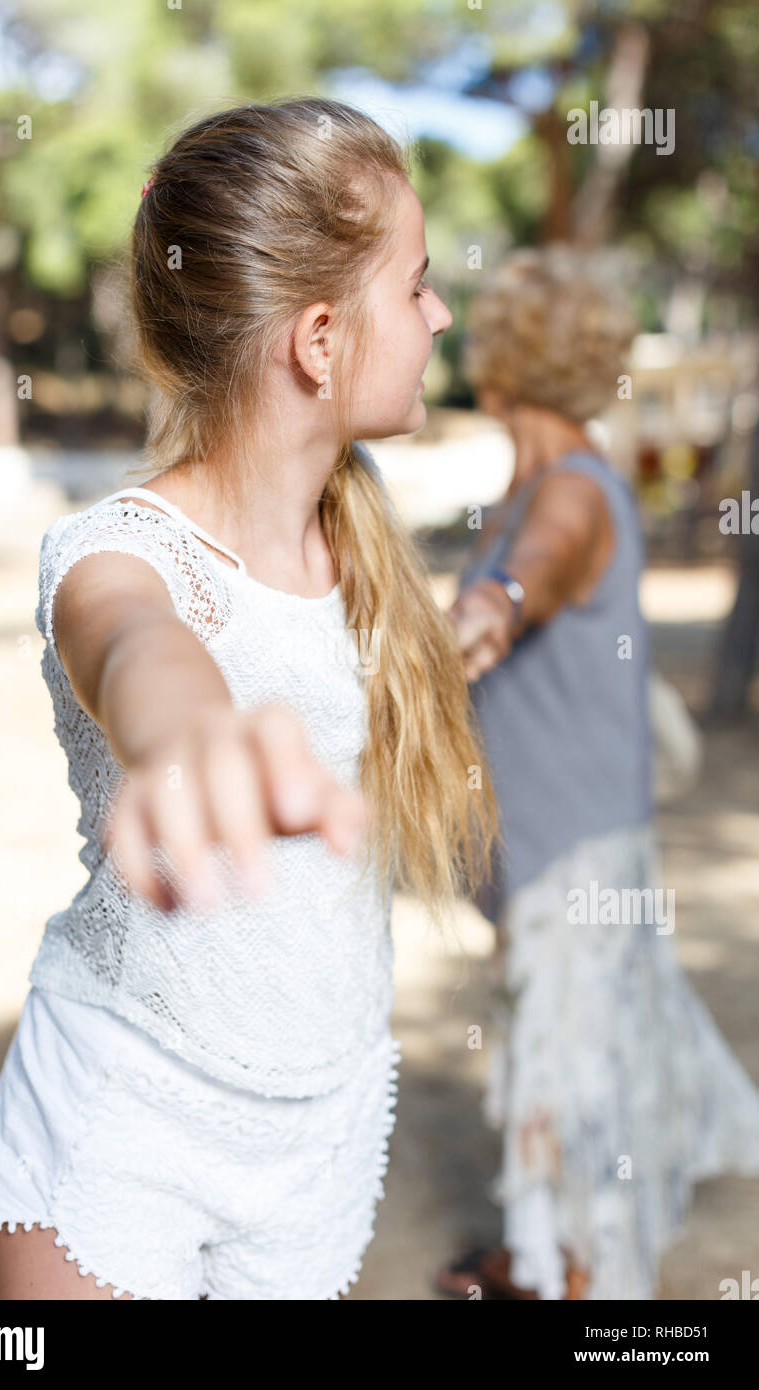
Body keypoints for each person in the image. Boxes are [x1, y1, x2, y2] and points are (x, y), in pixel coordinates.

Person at [0, 97, 497, 1301]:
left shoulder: (358, 553)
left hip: (318, 1122)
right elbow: (139, 646)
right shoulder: (119, 554)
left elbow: (330, 691)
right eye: (414, 286)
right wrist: (186, 738)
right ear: (316, 339)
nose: (439, 312)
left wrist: (464, 640)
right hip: (125, 1117)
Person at [436, 246, 759, 1301]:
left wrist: (488, 610)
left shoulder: (570, 492)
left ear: (504, 366)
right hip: (539, 845)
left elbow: (524, 583)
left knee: (575, 1072)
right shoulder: (528, 485)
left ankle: (579, 1279)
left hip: (575, 850)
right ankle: (543, 1259)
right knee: (551, 1048)